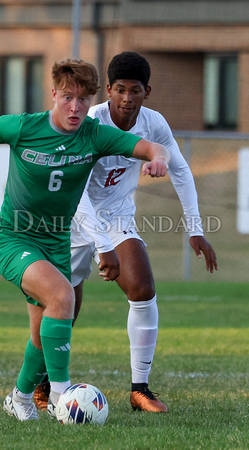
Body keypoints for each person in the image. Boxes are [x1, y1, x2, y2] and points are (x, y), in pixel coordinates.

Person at [0, 58, 170, 421]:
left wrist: (158, 160)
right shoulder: (24, 127)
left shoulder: (94, 135)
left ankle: (20, 397)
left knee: (44, 334)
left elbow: (151, 148)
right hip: (13, 238)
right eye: (68, 98)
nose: (75, 108)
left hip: (56, 241)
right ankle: (61, 395)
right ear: (54, 94)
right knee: (63, 296)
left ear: (92, 101)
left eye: (84, 100)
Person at [33, 52, 218, 414]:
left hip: (117, 215)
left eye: (135, 91)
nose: (126, 98)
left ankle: (140, 389)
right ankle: (43, 384)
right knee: (63, 304)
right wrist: (103, 246)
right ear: (110, 90)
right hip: (72, 215)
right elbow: (79, 191)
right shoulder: (89, 122)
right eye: (119, 90)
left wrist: (195, 229)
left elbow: (180, 170)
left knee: (143, 288)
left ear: (147, 92)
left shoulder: (154, 124)